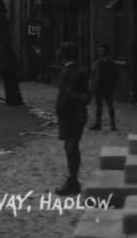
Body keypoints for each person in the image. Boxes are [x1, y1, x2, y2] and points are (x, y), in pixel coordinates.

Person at [54, 42, 91, 195]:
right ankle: (72, 179)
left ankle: (73, 181)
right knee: (71, 146)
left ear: (64, 55)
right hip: (77, 114)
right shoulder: (79, 70)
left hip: (70, 115)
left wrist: (61, 109)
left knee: (71, 147)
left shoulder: (69, 71)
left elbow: (66, 94)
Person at [89, 43, 119, 131]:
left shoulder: (112, 63)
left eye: (102, 51)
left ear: (107, 52)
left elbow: (115, 76)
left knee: (110, 107)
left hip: (108, 88)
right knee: (98, 108)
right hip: (98, 88)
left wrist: (112, 86)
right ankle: (98, 124)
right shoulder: (97, 62)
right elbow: (93, 75)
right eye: (100, 51)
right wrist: (92, 86)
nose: (101, 53)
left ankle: (113, 125)